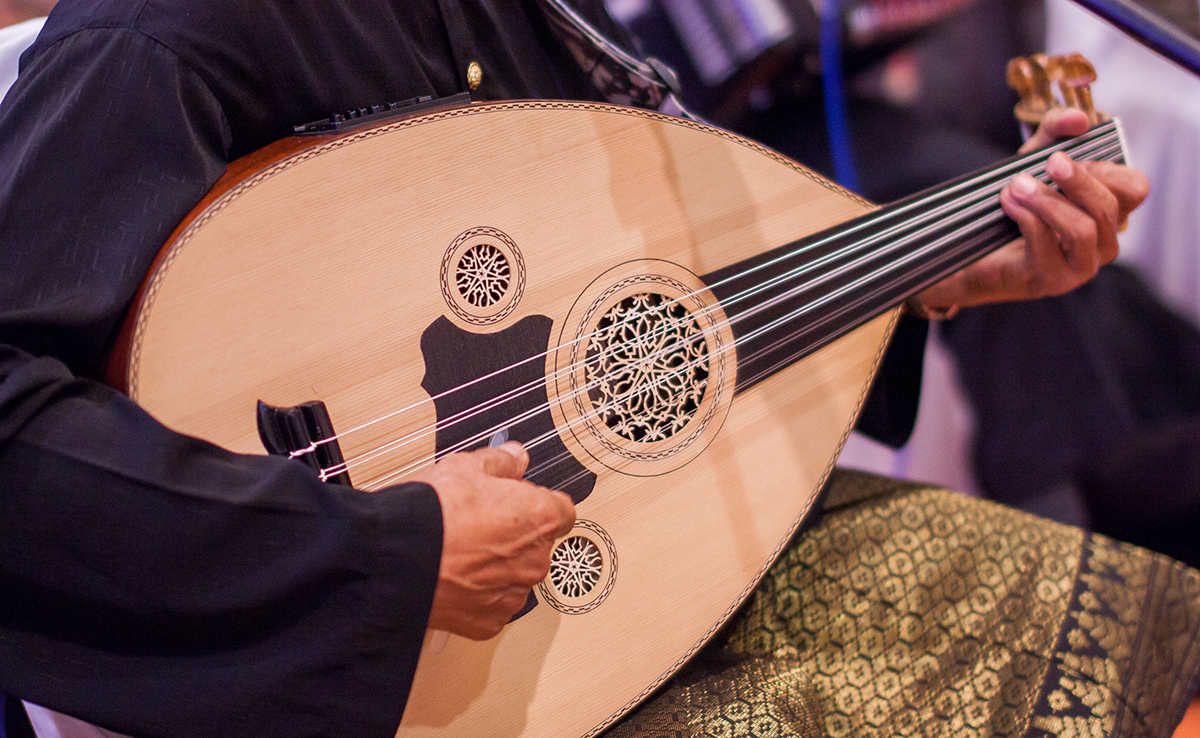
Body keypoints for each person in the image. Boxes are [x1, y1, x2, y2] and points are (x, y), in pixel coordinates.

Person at [0, 2, 1192, 738]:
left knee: (1141, 615)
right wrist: (388, 555)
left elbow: (659, 326)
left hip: (630, 568)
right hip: (332, 656)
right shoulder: (169, 31)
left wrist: (939, 279)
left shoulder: (526, 17)